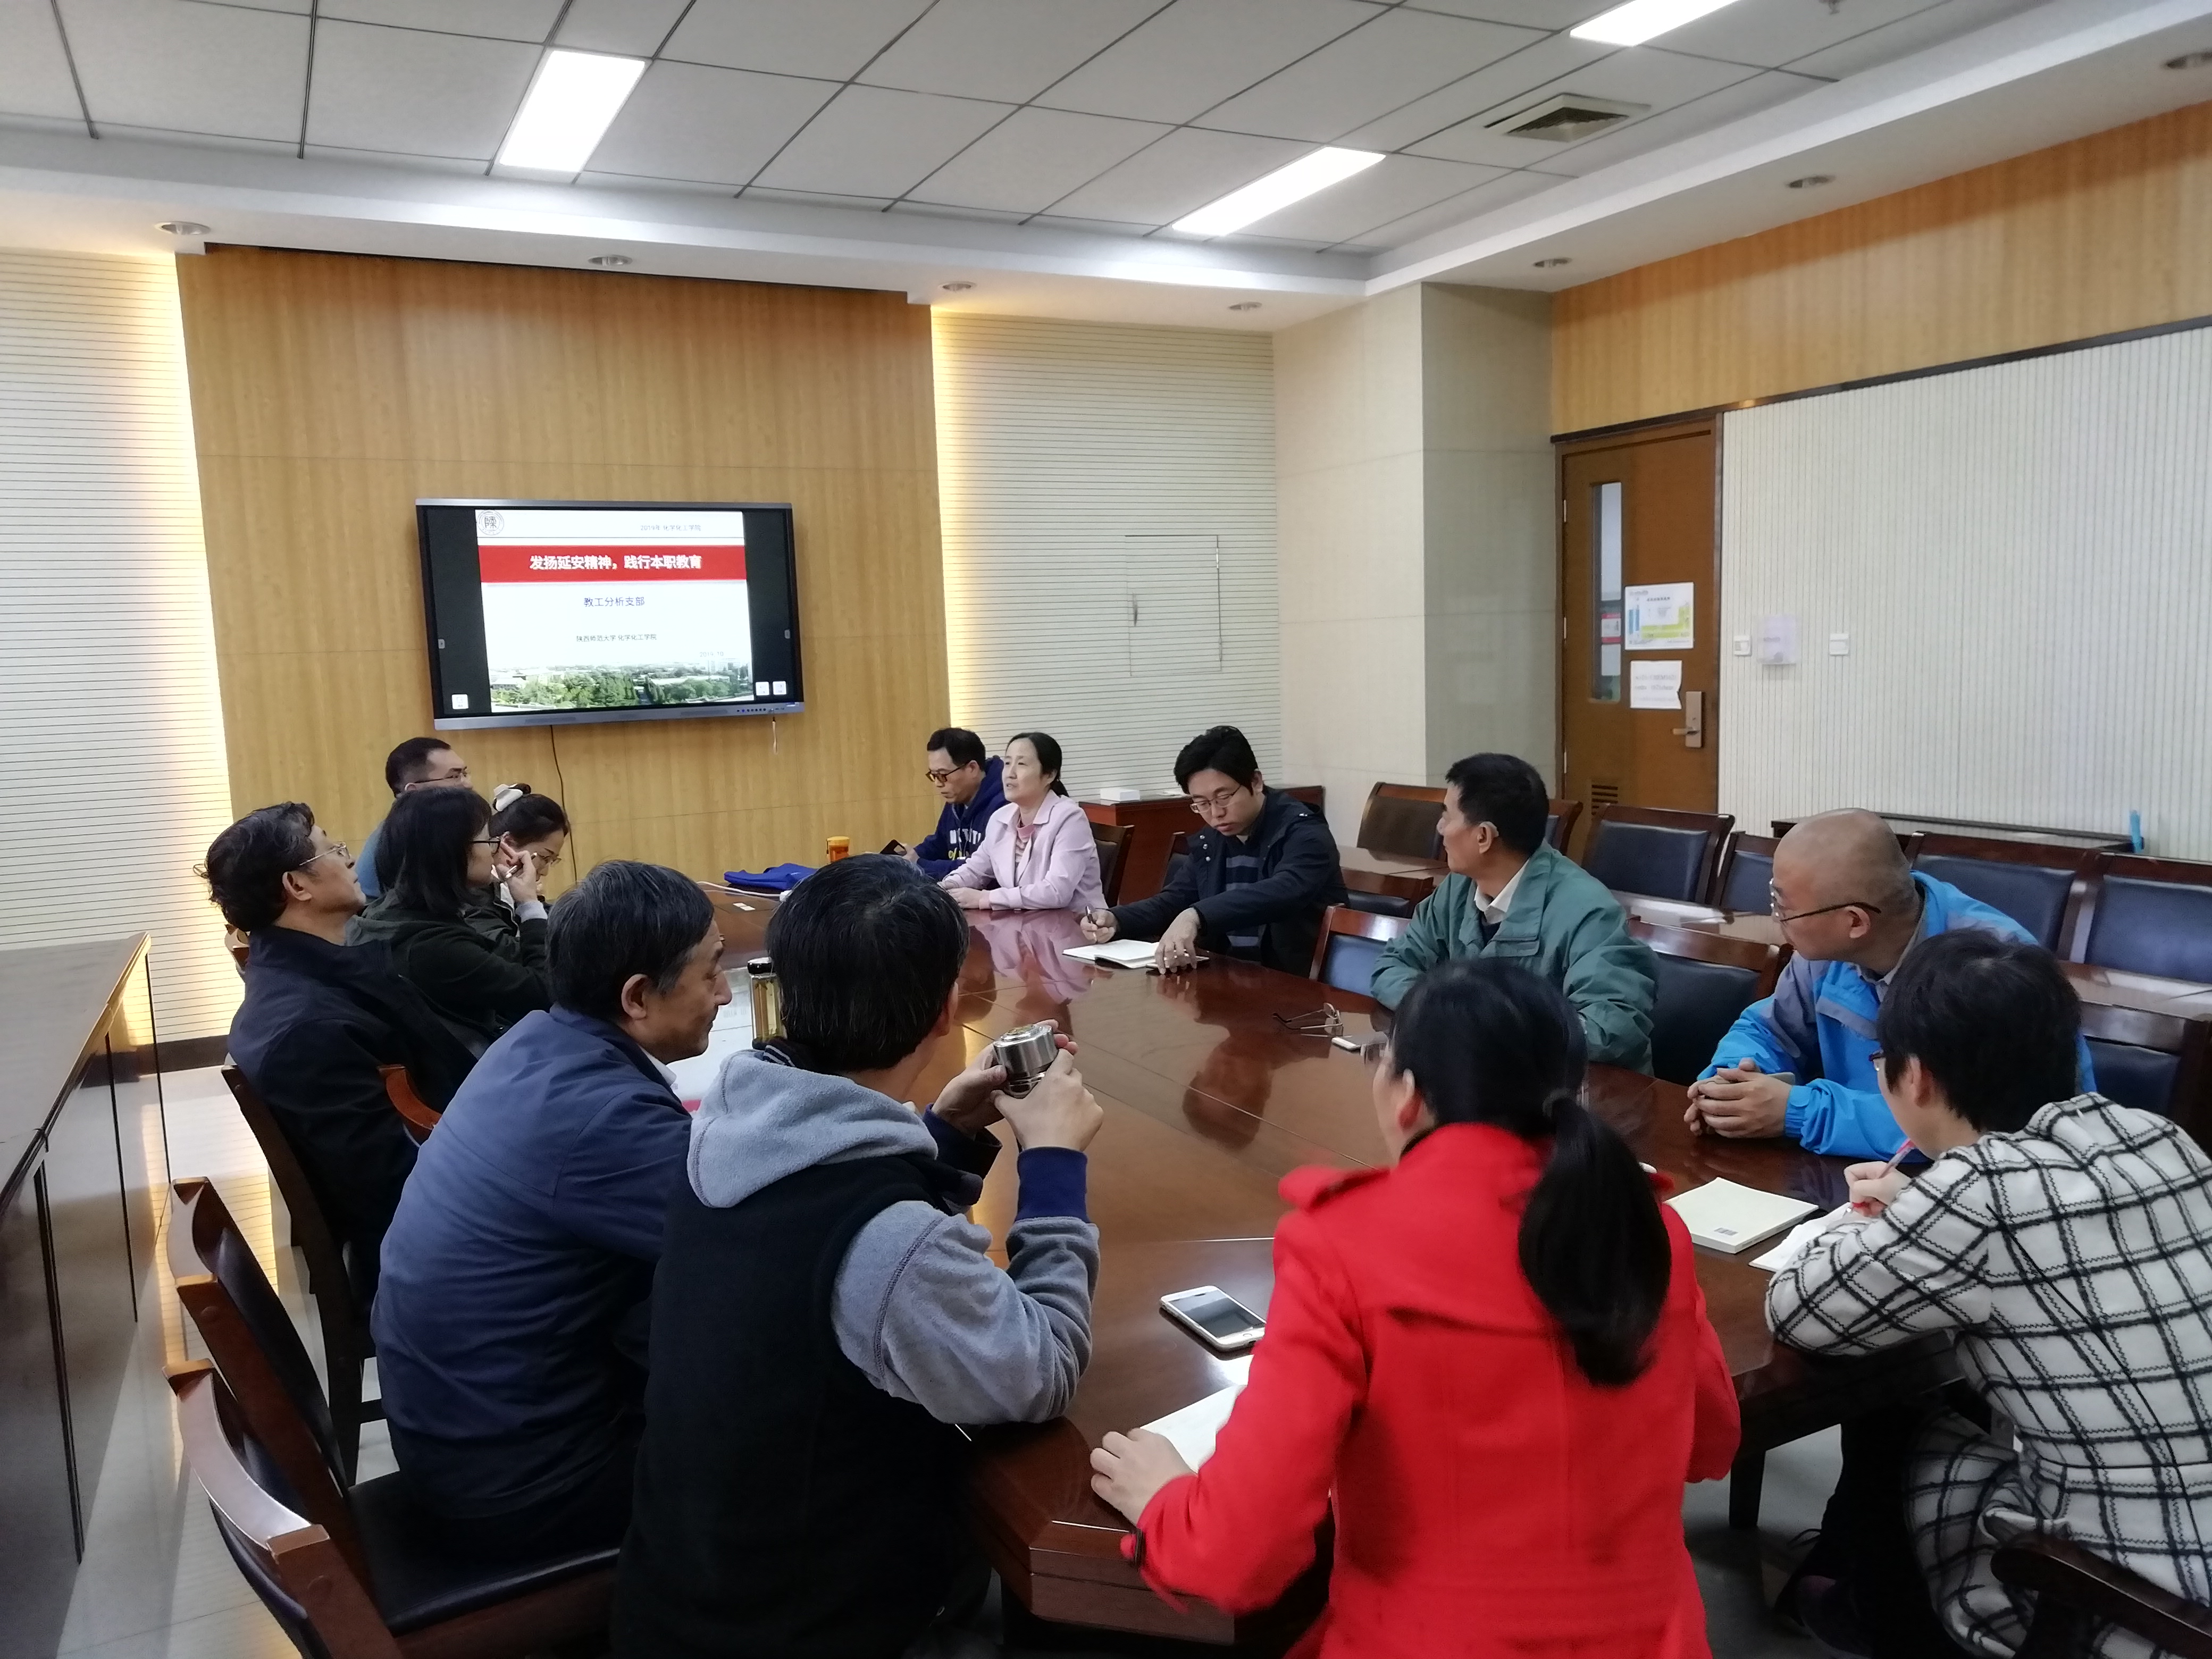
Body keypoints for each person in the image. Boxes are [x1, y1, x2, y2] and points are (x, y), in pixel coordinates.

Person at [1090, 958, 1739, 1656]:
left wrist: (1167, 1503)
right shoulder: (1648, 1225)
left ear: (1407, 1096)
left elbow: (1236, 1556)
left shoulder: (1346, 1242)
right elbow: (1710, 1443)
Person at [614, 856, 1104, 1657]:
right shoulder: (887, 1238)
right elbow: (1041, 1370)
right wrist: (1053, 1162)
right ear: (946, 1010)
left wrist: (943, 1133)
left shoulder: (728, 1130)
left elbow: (845, 1242)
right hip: (820, 1629)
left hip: (685, 1598)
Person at [1766, 931, 2212, 1658]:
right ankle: (1855, 1605)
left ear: (1916, 1078)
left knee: (1892, 1424)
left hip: (2145, 1603)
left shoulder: (1978, 1190)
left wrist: (1857, 1221)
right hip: (2190, 1532)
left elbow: (1800, 1311)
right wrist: (1920, 1206)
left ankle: (1887, 1626)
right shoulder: (2156, 1136)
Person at [372, 862, 730, 1561]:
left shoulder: (533, 1044)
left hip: (461, 1440)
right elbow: (768, 1245)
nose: (723, 992)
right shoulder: (599, 1117)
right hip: (531, 1489)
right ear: (636, 996)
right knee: (840, 1430)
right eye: (713, 970)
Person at [1687, 808, 2090, 1159]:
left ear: (1855, 921)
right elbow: (1770, 1029)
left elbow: (1988, 1127)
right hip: (1855, 1172)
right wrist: (1730, 1089)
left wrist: (1800, 1112)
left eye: (1783, 907)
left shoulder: (1989, 967)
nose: (1776, 918)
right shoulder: (1826, 952)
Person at [200, 803, 474, 1303]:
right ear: (297, 886)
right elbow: (394, 1189)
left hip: (449, 1204)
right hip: (443, 1268)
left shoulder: (301, 978)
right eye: (333, 849)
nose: (350, 859)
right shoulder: (305, 1031)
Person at [1369, 753, 1656, 1071]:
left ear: (1483, 837)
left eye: (1447, 816)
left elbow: (1611, 1027)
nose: (1440, 829)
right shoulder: (1458, 888)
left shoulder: (1589, 910)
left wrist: (1484, 1026)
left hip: (1578, 1091)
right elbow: (1394, 965)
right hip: (1491, 1077)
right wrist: (1446, 1015)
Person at [1078, 724, 1345, 974]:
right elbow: (1176, 899)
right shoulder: (1213, 841)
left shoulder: (1304, 831)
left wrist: (1197, 915)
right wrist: (1117, 920)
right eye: (1202, 803)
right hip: (1227, 975)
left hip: (1292, 982)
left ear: (1255, 782)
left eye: (1224, 797)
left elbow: (1284, 890)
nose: (1216, 813)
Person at [348, 786, 550, 1052]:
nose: (497, 851)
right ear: (451, 850)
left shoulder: (386, 913)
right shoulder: (435, 946)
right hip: (474, 1068)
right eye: (489, 841)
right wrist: (529, 904)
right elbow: (546, 991)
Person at [939, 730, 1105, 913]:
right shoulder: (1001, 818)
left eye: (1021, 764)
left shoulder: (1070, 819)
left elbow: (1056, 892)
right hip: (1026, 924)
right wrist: (946, 887)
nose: (1010, 773)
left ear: (1049, 775)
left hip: (1079, 925)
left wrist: (985, 898)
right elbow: (975, 869)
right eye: (1007, 763)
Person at [357, 735, 471, 900]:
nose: (468, 784)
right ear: (413, 791)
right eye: (454, 777)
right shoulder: (409, 838)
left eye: (465, 774)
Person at [464, 785, 570, 945]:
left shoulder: (509, 891)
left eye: (552, 861)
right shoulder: (475, 893)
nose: (545, 871)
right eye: (544, 857)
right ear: (507, 843)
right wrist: (529, 904)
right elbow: (507, 951)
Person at [900, 726, 1005, 878]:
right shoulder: (957, 799)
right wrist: (906, 858)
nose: (938, 783)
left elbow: (984, 868)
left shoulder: (1003, 806)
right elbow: (939, 844)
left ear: (972, 768)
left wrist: (920, 864)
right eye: (933, 775)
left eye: (943, 775)